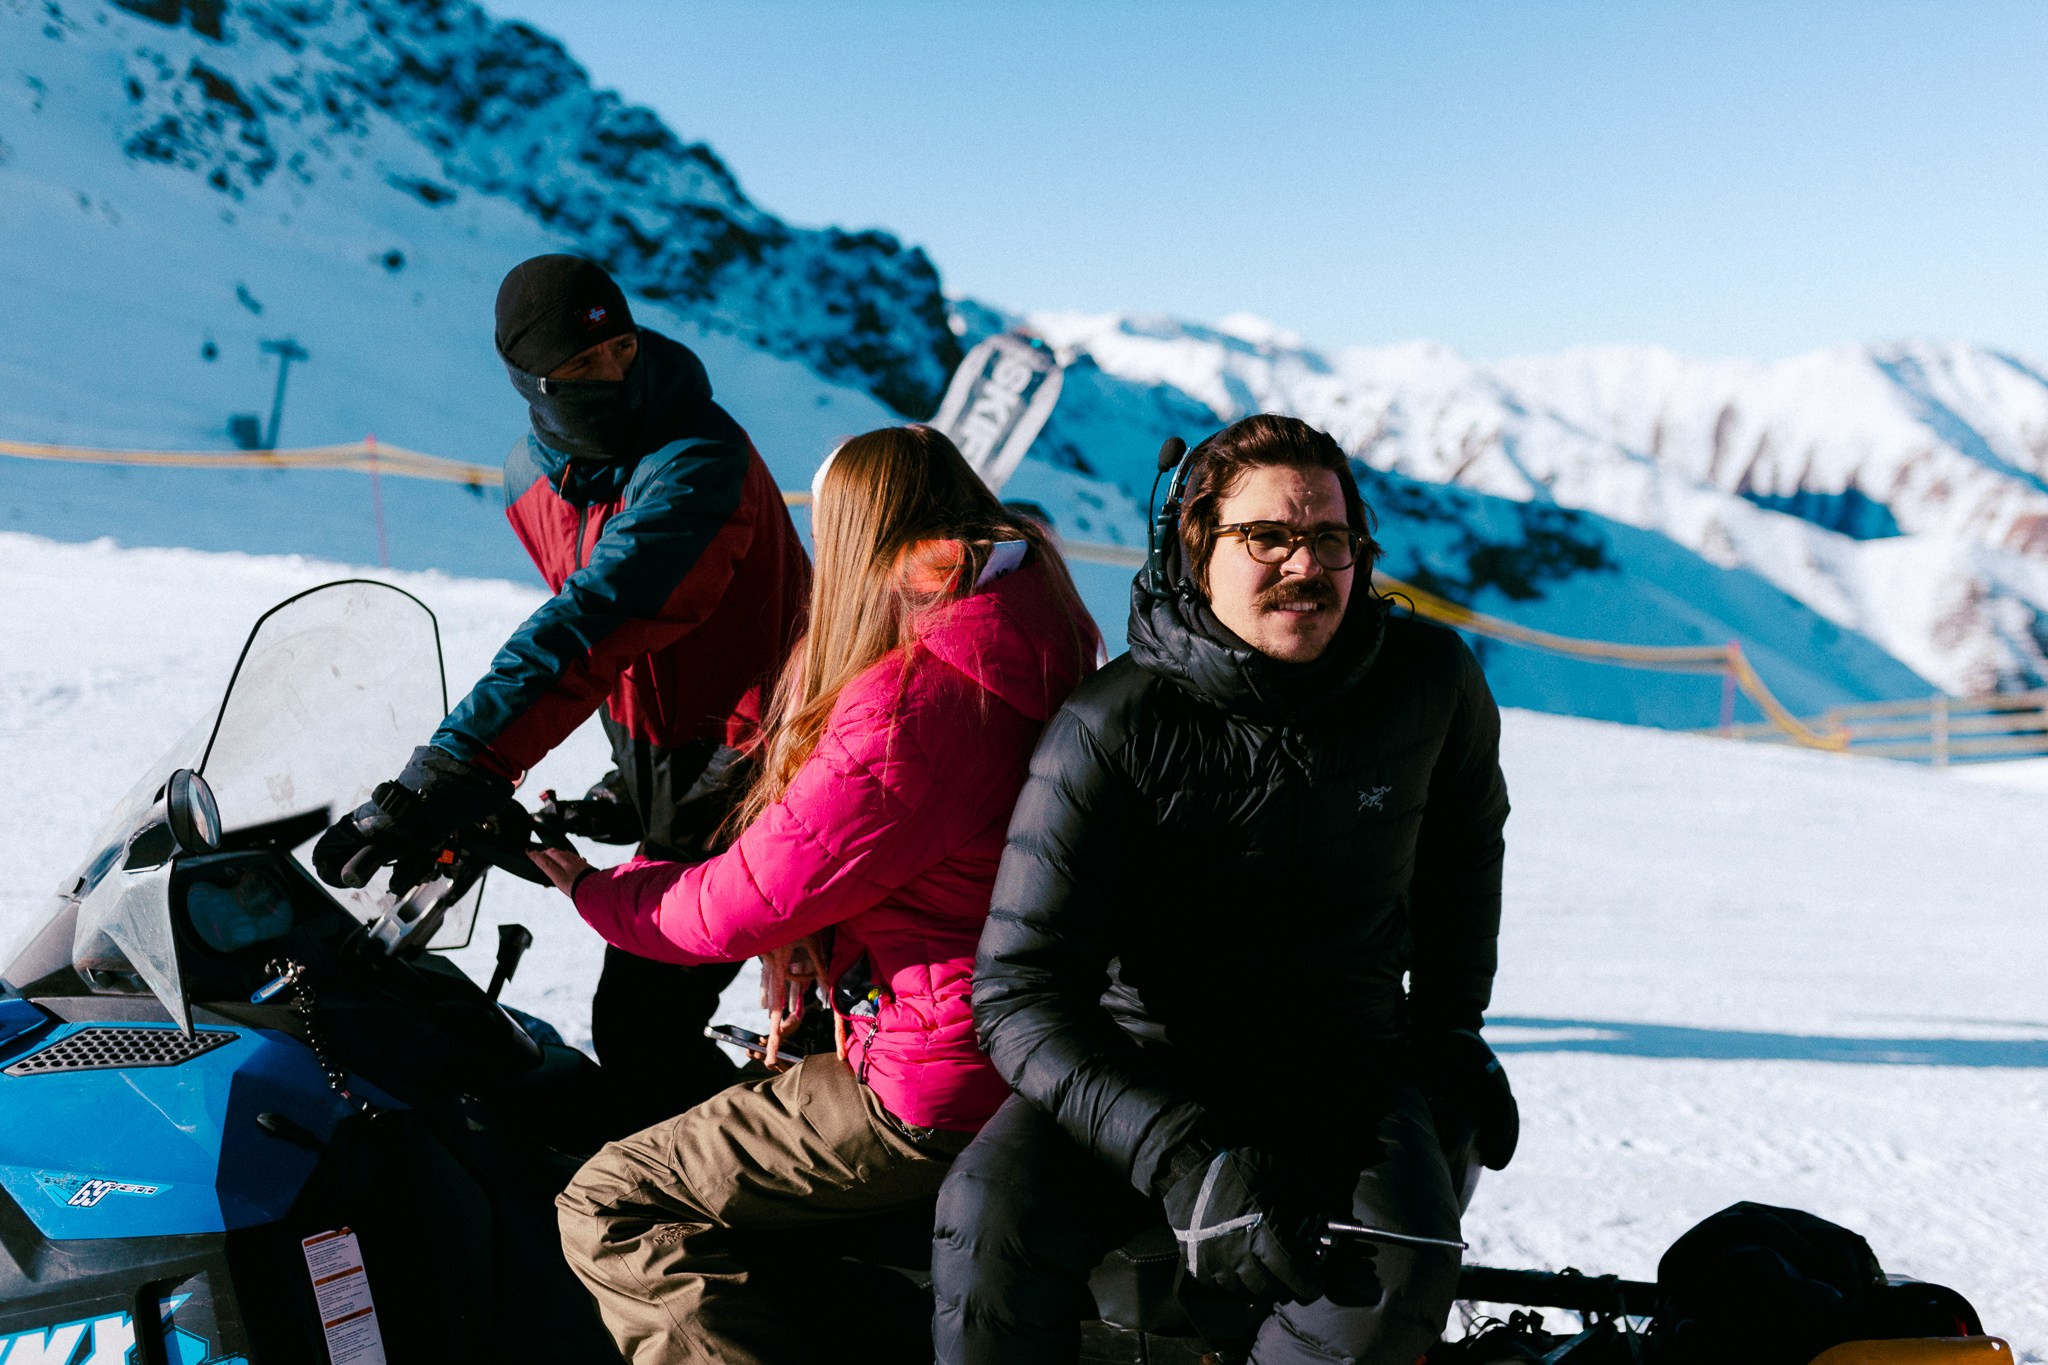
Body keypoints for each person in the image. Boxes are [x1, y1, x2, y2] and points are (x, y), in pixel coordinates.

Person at [930, 414, 1517, 1364]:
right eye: (1267, 538)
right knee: (985, 1221)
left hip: (1345, 1055)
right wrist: (1182, 1153)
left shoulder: (1429, 683)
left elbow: (1463, 865)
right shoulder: (1112, 725)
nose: (1306, 563)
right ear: (1194, 551)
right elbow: (1019, 991)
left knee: (1399, 1263)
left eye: (1330, 538)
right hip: (1142, 1060)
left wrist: (1452, 1028)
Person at [529, 425, 1100, 1365]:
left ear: (853, 531)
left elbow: (732, 905)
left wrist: (596, 890)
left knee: (613, 1199)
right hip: (1027, 1034)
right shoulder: (1037, 626)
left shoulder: (914, 699)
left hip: (941, 1068)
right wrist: (823, 921)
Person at [312, 254, 810, 1130]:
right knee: (649, 1027)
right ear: (531, 382)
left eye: (619, 349)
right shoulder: (531, 479)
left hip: (767, 758)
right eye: (582, 369)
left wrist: (458, 764)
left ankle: (766, 1211)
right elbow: (629, 646)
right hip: (676, 767)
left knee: (642, 1026)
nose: (612, 374)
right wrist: (628, 784)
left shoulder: (701, 458)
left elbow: (600, 615)